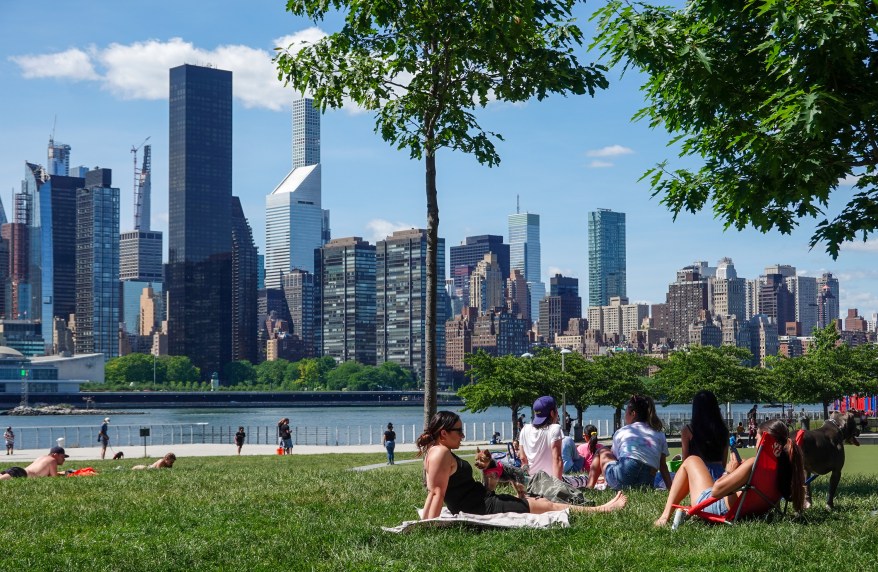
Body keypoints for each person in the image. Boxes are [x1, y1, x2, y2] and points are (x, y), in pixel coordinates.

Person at [418, 411, 627, 519]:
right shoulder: (442, 453)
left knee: (538, 500)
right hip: (482, 507)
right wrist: (429, 525)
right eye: (459, 431)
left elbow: (432, 492)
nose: (462, 435)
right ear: (444, 433)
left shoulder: (434, 452)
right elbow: (436, 493)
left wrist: (425, 521)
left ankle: (599, 508)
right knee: (546, 505)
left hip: (483, 500)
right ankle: (601, 509)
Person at [654, 418, 805, 526]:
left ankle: (665, 516)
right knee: (696, 464)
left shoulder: (754, 464)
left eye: (758, 437)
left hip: (717, 507)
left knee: (691, 460)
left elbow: (716, 491)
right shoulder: (784, 465)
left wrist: (729, 471)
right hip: (752, 510)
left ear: (764, 441)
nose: (756, 442)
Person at [587, 395, 672, 490]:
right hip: (647, 482)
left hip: (623, 477)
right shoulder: (659, 434)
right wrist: (670, 488)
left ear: (633, 413)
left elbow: (614, 458)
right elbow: (663, 466)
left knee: (602, 450)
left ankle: (589, 487)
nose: (624, 415)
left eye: (626, 411)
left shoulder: (622, 431)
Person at [680, 390, 729, 480]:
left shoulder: (688, 430)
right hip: (720, 475)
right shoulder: (723, 430)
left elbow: (685, 461)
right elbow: (724, 461)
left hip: (698, 474)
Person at [518, 396, 564, 479]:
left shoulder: (524, 429)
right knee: (583, 479)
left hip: (532, 481)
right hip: (550, 481)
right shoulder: (554, 428)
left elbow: (523, 459)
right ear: (552, 413)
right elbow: (557, 459)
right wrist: (557, 486)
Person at [0, 446, 68, 479]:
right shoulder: (52, 460)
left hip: (18, 470)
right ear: (55, 455)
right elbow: (54, 477)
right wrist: (66, 475)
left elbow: (47, 473)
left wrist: (62, 472)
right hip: (21, 474)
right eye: (62, 457)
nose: (64, 459)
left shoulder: (42, 457)